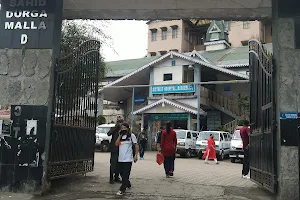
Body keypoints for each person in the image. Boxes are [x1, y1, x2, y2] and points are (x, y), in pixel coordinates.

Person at [115, 123, 139, 196]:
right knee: (121, 173)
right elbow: (116, 144)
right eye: (122, 128)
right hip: (121, 158)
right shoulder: (121, 136)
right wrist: (120, 135)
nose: (123, 129)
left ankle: (122, 189)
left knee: (125, 174)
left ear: (128, 128)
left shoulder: (131, 136)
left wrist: (136, 155)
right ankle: (127, 183)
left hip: (128, 159)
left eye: (124, 128)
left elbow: (136, 145)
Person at [107, 116, 123, 184]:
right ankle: (111, 178)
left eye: (121, 122)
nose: (120, 123)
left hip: (121, 149)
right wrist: (116, 127)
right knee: (113, 163)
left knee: (119, 164)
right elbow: (108, 134)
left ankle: (117, 177)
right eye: (119, 122)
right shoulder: (114, 128)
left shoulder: (123, 129)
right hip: (114, 149)